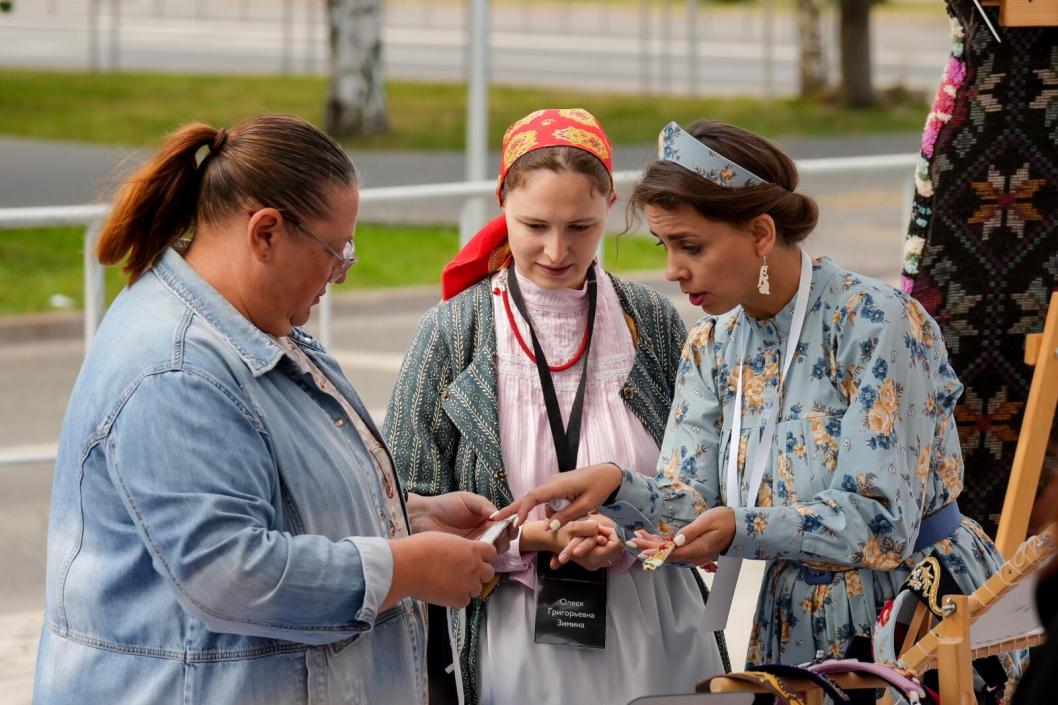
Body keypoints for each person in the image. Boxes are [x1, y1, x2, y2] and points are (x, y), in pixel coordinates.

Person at [497, 118, 1016, 672]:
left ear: (761, 234)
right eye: (665, 245)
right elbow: (690, 500)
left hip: (921, 613)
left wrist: (740, 528)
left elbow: (882, 522)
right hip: (790, 622)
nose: (672, 269)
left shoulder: (875, 323)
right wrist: (615, 486)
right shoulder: (711, 346)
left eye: (690, 245)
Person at [33, 115, 502, 705]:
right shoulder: (175, 368)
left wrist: (406, 518)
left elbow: (270, 498)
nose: (340, 274)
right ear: (266, 233)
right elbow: (230, 572)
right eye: (337, 251)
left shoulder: (247, 325)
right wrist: (405, 567)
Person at [385, 108, 727, 705]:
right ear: (502, 205)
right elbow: (397, 505)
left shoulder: (651, 322)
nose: (556, 249)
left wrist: (633, 533)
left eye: (581, 227)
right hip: (514, 633)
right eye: (534, 224)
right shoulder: (453, 333)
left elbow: (704, 485)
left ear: (611, 205)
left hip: (656, 627)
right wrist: (520, 539)